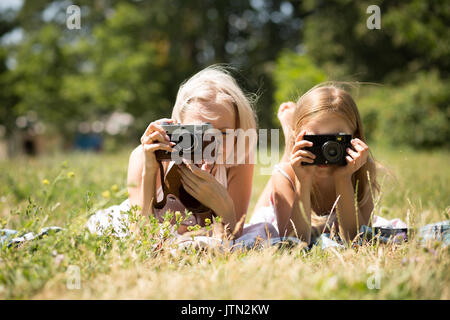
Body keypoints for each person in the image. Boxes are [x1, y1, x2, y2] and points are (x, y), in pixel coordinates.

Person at [88, 65, 280, 241]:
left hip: (209, 238)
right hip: (150, 231)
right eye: (199, 133)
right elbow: (140, 235)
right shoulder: (149, 156)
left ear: (238, 130)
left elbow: (233, 233)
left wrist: (225, 208)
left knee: (262, 235)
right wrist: (149, 170)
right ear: (178, 127)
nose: (211, 143)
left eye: (222, 133)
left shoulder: (238, 157)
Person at [250, 84, 379, 244]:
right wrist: (302, 181)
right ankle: (290, 143)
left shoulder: (361, 168)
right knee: (281, 172)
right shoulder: (284, 176)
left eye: (335, 141)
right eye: (315, 140)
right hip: (278, 207)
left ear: (355, 136)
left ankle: (294, 138)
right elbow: (295, 242)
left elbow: (356, 239)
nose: (326, 150)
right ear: (300, 136)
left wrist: (343, 179)